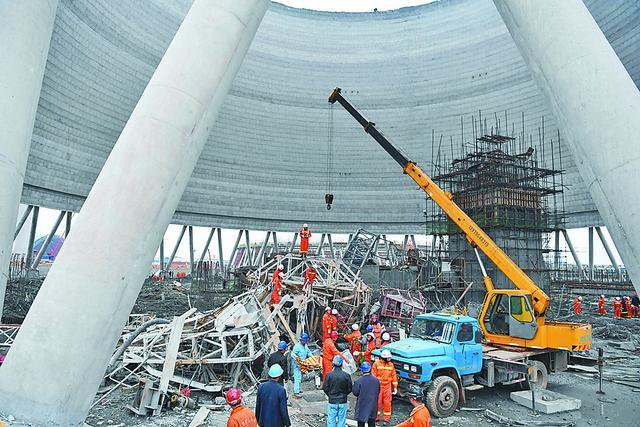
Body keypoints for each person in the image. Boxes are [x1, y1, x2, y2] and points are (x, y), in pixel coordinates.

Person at [323, 355, 353, 427]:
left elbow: (325, 388)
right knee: (342, 420)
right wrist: (344, 394)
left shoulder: (329, 375)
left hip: (332, 400)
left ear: (333, 364)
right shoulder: (346, 375)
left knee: (331, 419)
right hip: (343, 400)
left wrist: (330, 395)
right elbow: (349, 388)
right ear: (342, 364)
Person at [372, 349, 398, 425]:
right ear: (384, 358)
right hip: (378, 387)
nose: (390, 359)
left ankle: (386, 419)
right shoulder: (376, 364)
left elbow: (394, 376)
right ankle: (376, 417)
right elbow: (373, 376)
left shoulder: (391, 365)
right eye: (388, 358)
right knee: (377, 402)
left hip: (387, 387)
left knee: (387, 403)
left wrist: (395, 387)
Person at [352, 362, 380, 427]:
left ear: (362, 371)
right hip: (373, 406)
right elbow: (378, 391)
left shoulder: (359, 381)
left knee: (361, 424)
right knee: (372, 423)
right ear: (370, 370)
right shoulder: (376, 380)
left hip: (362, 405)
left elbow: (355, 392)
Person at [291, 333, 312, 397]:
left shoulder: (305, 346)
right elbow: (293, 354)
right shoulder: (297, 346)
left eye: (304, 340)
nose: (302, 341)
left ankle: (298, 389)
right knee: (297, 378)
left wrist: (313, 358)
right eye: (302, 340)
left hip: (303, 364)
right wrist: (297, 359)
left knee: (300, 378)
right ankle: (296, 392)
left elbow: (308, 352)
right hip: (297, 365)